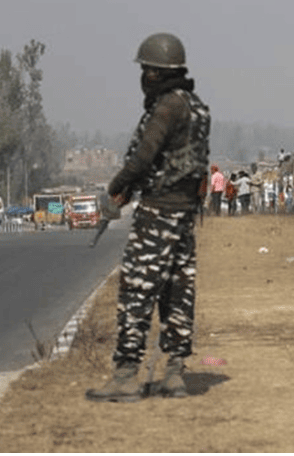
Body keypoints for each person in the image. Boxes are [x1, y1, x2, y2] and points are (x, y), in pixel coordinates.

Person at [86, 32, 210, 403]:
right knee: (177, 294)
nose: (143, 78)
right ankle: (174, 374)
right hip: (184, 215)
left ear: (155, 73)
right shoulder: (198, 108)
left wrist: (117, 186)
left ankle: (126, 376)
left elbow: (144, 158)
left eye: (146, 71)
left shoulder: (167, 107)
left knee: (136, 293)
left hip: (158, 215)